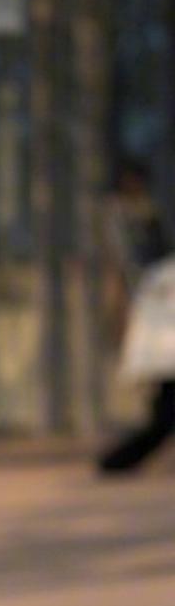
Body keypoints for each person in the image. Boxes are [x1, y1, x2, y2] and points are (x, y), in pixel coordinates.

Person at [97, 157, 175, 473]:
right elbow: (133, 269)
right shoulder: (121, 216)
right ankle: (117, 460)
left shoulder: (149, 214)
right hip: (158, 316)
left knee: (165, 407)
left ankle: (119, 460)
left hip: (162, 313)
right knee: (166, 407)